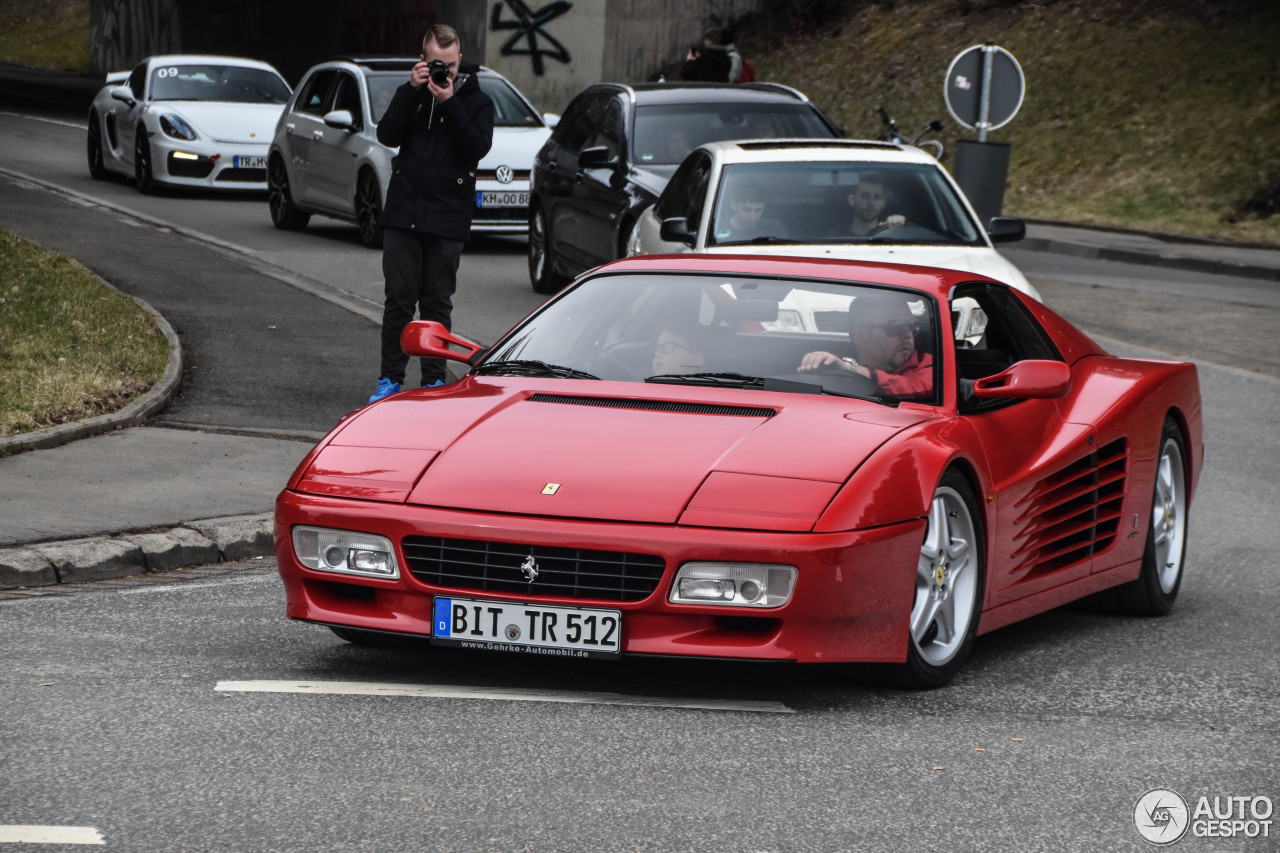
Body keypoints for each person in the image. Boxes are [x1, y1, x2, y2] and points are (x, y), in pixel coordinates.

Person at [368, 23, 495, 403]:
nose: (444, 73)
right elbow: (387, 134)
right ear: (423, 61)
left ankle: (435, 383)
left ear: (460, 61)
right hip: (404, 212)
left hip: (447, 217)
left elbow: (475, 148)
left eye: (451, 66)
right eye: (437, 65)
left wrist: (449, 100)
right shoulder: (413, 94)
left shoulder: (477, 102)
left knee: (437, 305)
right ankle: (390, 379)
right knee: (399, 303)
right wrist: (411, 91)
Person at [797, 290, 933, 399]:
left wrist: (849, 369)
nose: (908, 334)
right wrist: (812, 373)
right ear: (861, 336)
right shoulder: (833, 364)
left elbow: (916, 388)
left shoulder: (929, 365)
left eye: (912, 326)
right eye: (896, 327)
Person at [713, 179, 788, 244]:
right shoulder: (716, 231)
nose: (752, 217)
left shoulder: (774, 230)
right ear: (733, 204)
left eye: (758, 210)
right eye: (746, 210)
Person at [843, 172, 906, 237]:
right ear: (852, 200)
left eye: (877, 197)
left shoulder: (891, 234)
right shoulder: (836, 237)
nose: (871, 203)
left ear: (884, 202)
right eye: (865, 196)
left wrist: (899, 226)